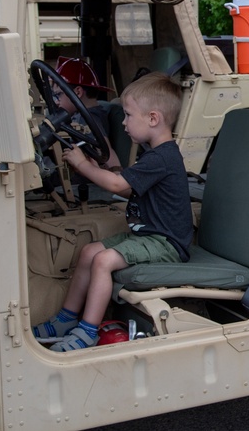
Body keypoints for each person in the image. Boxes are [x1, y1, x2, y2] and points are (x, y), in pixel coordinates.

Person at [33, 71, 193, 352]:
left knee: (103, 260)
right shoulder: (154, 154)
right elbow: (129, 189)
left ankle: (88, 331)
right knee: (89, 251)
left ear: (153, 118)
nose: (123, 122)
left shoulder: (162, 156)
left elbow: (119, 183)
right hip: (149, 236)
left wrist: (84, 166)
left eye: (129, 115)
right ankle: (65, 320)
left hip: (166, 243)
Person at [53, 57, 121, 171]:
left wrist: (116, 173)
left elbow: (105, 150)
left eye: (58, 95)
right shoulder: (85, 114)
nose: (56, 101)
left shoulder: (87, 118)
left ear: (77, 92)